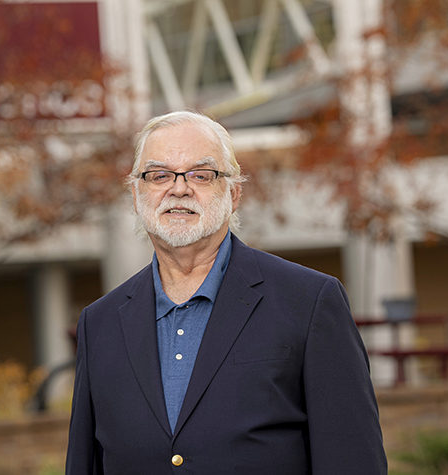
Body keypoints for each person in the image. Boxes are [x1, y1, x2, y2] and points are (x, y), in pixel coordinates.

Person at [65, 110, 387, 474]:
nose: (179, 188)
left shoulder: (309, 302)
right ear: (136, 195)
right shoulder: (100, 323)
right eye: (158, 175)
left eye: (201, 174)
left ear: (233, 194)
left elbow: (353, 461)